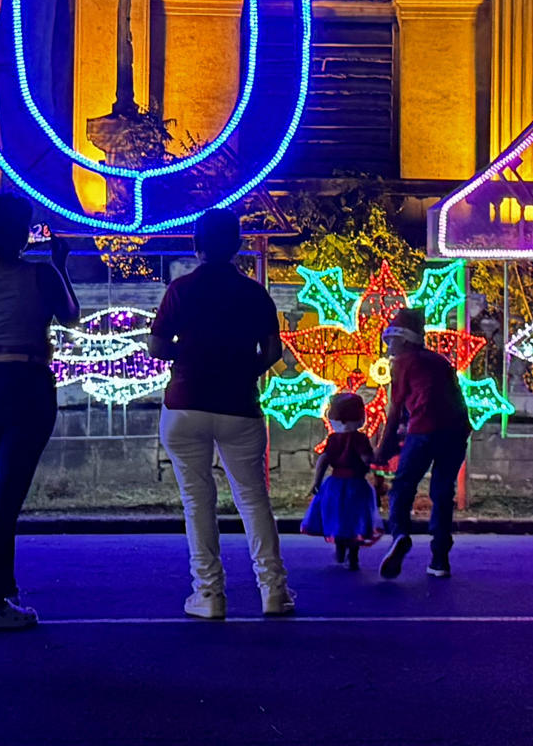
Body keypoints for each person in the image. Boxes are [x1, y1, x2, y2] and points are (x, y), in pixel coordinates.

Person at [149, 209, 294, 619]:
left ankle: (209, 593)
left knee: (197, 501)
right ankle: (273, 591)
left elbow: (156, 347)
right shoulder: (254, 294)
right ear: (238, 245)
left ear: (196, 245)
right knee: (253, 499)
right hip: (239, 405)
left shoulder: (181, 289)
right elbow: (273, 351)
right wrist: (242, 370)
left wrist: (189, 356)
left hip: (185, 403)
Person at [0, 192, 77, 631]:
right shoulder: (40, 274)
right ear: (22, 233)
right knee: (7, 498)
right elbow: (70, 316)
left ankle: (4, 591)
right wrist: (60, 264)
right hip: (25, 381)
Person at [374, 307, 470, 580]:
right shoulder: (440, 361)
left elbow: (395, 410)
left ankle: (400, 534)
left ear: (406, 340)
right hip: (456, 431)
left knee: (403, 486)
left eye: (392, 339)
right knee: (442, 493)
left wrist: (382, 449)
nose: (389, 346)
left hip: (424, 430)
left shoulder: (402, 363)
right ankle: (440, 559)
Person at [300, 391, 378, 571]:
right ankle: (353, 556)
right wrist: (376, 460)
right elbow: (366, 459)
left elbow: (323, 460)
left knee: (338, 518)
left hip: (334, 485)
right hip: (356, 485)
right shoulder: (360, 439)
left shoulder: (333, 439)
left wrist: (317, 481)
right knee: (355, 519)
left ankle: (340, 549)